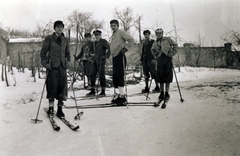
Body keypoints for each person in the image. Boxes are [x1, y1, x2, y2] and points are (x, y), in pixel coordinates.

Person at [40, 20, 70, 118]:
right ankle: (51, 108)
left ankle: (60, 109)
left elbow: (67, 53)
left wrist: (68, 61)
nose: (59, 28)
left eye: (61, 26)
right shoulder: (49, 38)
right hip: (52, 67)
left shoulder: (65, 39)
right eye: (57, 26)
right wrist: (45, 64)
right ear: (54, 28)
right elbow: (43, 53)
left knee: (62, 87)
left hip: (62, 67)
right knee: (52, 86)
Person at [109, 19, 135, 105]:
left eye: (114, 25)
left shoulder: (121, 32)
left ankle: (123, 97)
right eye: (111, 26)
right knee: (116, 76)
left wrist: (125, 49)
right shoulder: (113, 34)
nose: (113, 27)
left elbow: (131, 40)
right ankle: (119, 95)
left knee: (119, 75)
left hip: (120, 56)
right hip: (115, 56)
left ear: (117, 25)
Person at [151, 28, 178, 101]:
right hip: (160, 60)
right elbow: (152, 49)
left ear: (162, 33)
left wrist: (171, 53)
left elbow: (175, 45)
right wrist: (155, 55)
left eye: (160, 33)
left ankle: (167, 93)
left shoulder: (167, 39)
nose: (159, 34)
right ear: (156, 34)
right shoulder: (155, 42)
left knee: (168, 76)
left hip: (168, 59)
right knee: (160, 76)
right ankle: (161, 93)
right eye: (157, 33)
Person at [86, 30, 111, 97]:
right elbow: (91, 51)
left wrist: (105, 56)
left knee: (101, 76)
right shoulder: (94, 43)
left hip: (101, 62)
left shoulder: (103, 41)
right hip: (94, 61)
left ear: (100, 35)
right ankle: (93, 90)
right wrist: (91, 54)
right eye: (95, 35)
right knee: (92, 75)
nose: (97, 36)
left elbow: (109, 48)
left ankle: (103, 91)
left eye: (98, 35)